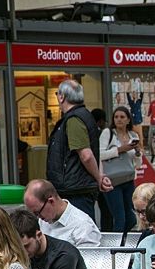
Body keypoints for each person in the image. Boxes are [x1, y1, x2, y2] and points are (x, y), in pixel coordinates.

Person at [45, 79, 112, 221]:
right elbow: (93, 154)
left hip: (75, 191)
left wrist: (98, 178)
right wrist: (99, 175)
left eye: (58, 94)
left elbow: (86, 155)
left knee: (79, 234)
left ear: (62, 97)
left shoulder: (74, 119)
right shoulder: (83, 115)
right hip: (77, 188)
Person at [23, 179, 101, 248]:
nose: (38, 217)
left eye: (38, 212)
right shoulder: (43, 220)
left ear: (51, 201)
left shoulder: (83, 225)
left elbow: (89, 261)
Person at [98, 106, 141, 233]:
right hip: (112, 180)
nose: (119, 120)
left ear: (128, 120)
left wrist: (138, 152)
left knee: (132, 217)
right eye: (116, 117)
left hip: (128, 178)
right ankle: (117, 246)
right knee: (119, 217)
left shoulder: (133, 135)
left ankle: (124, 241)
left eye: (122, 117)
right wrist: (121, 149)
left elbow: (137, 162)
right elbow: (99, 155)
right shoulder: (108, 133)